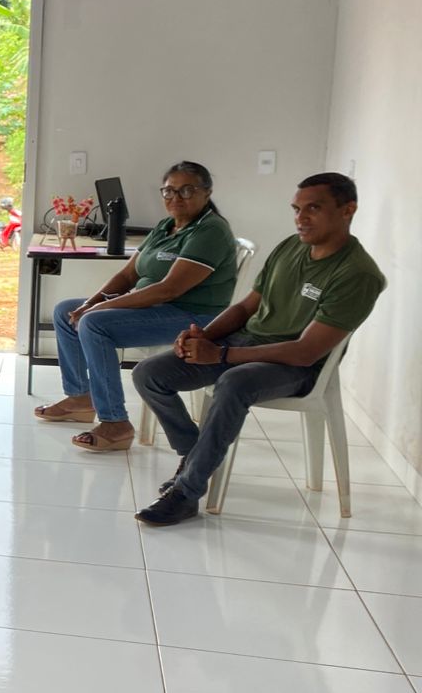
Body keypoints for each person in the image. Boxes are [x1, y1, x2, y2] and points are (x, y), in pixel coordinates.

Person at [132, 173, 386, 525]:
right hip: (246, 342)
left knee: (235, 382)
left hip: (295, 367)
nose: (301, 218)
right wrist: (203, 336)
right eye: (296, 209)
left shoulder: (357, 273)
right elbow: (244, 308)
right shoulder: (291, 246)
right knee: (149, 373)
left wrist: (221, 355)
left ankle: (187, 494)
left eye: (313, 208)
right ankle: (195, 455)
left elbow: (305, 352)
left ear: (348, 210)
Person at [35, 162, 239, 452]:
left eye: (186, 190)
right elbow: (128, 275)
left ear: (207, 192)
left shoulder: (210, 231)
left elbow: (169, 289)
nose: (176, 197)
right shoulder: (166, 226)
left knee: (94, 324)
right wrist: (91, 302)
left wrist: (97, 310)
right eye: (169, 191)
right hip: (155, 308)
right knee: (65, 311)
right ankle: (81, 398)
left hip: (193, 317)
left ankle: (115, 423)